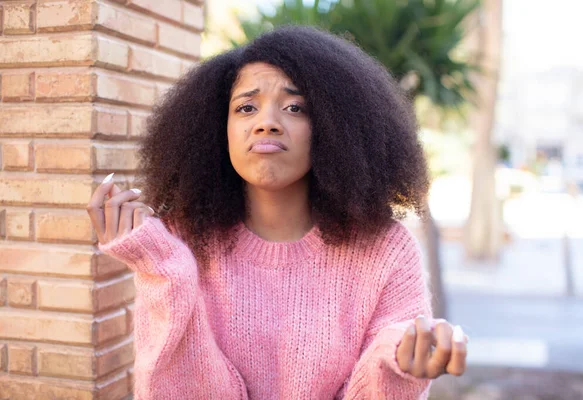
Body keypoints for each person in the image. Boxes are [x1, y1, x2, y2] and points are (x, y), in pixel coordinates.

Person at [87, 26, 467, 399]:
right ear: (219, 129)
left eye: (294, 107)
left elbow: (388, 369)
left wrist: (397, 362)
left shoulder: (386, 251)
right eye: (246, 107)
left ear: (336, 128)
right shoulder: (177, 243)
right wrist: (162, 269)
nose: (266, 123)